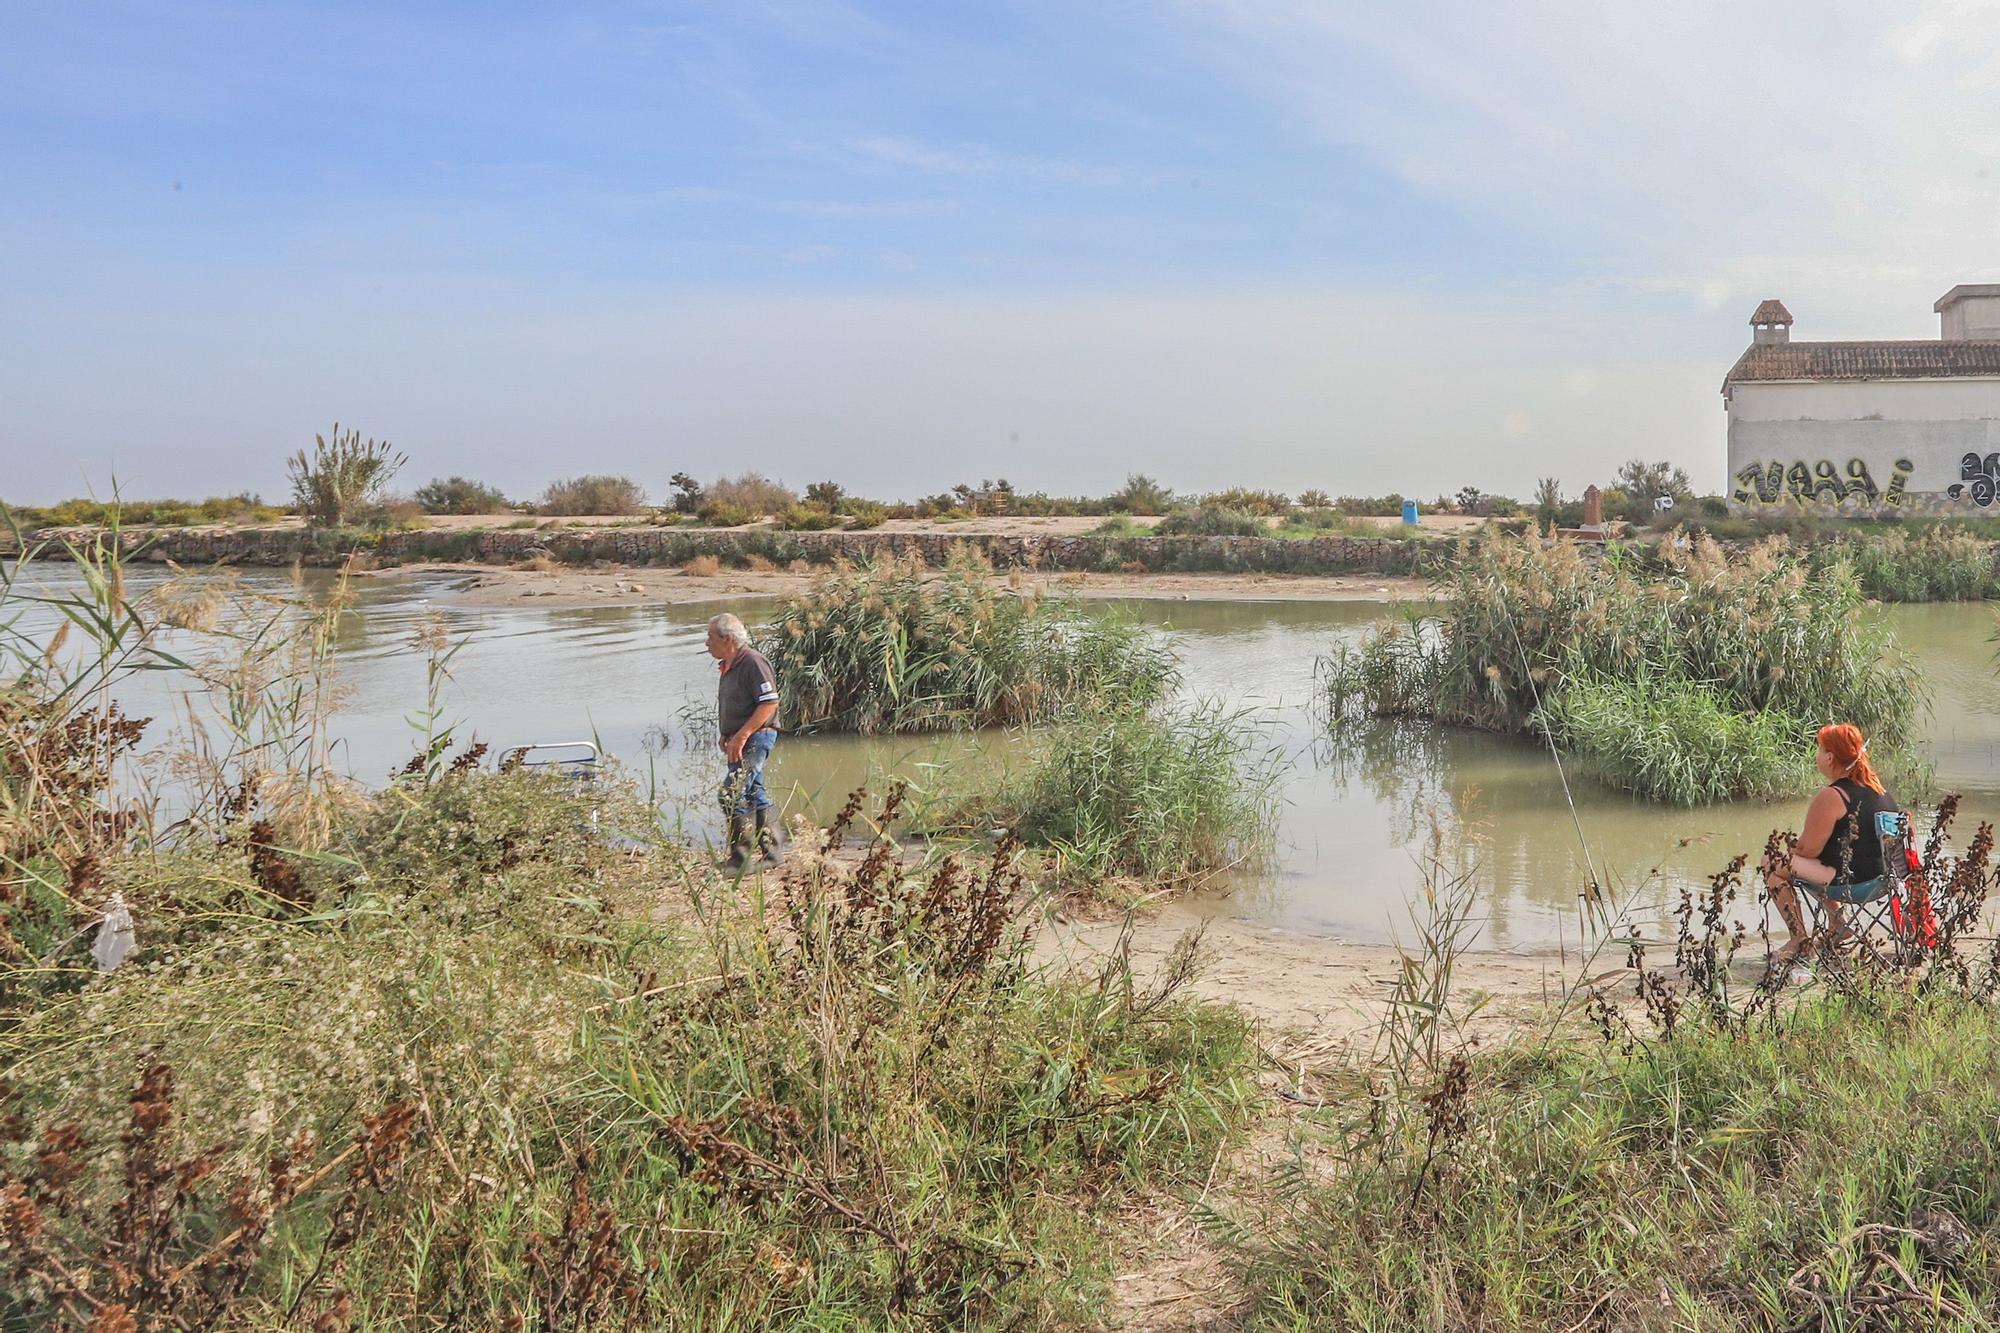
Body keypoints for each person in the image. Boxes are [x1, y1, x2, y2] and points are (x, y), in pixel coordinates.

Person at [1765, 723, 1905, 971]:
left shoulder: (1833, 795)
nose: (1817, 756)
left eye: (1819, 750)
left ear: (1829, 757)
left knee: (1772, 863)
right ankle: (1838, 927)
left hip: (1855, 885)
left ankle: (1799, 939)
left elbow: (1809, 851)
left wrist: (1789, 849)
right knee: (1818, 863)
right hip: (1884, 880)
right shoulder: (1880, 790)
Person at [705, 612, 781, 870]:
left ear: (727, 639)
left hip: (757, 738)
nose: (707, 643)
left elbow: (769, 703)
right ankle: (772, 856)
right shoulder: (730, 664)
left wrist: (743, 734)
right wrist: (728, 734)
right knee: (755, 794)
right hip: (743, 738)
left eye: (710, 637)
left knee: (731, 794)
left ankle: (741, 860)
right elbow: (739, 703)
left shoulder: (753, 662)